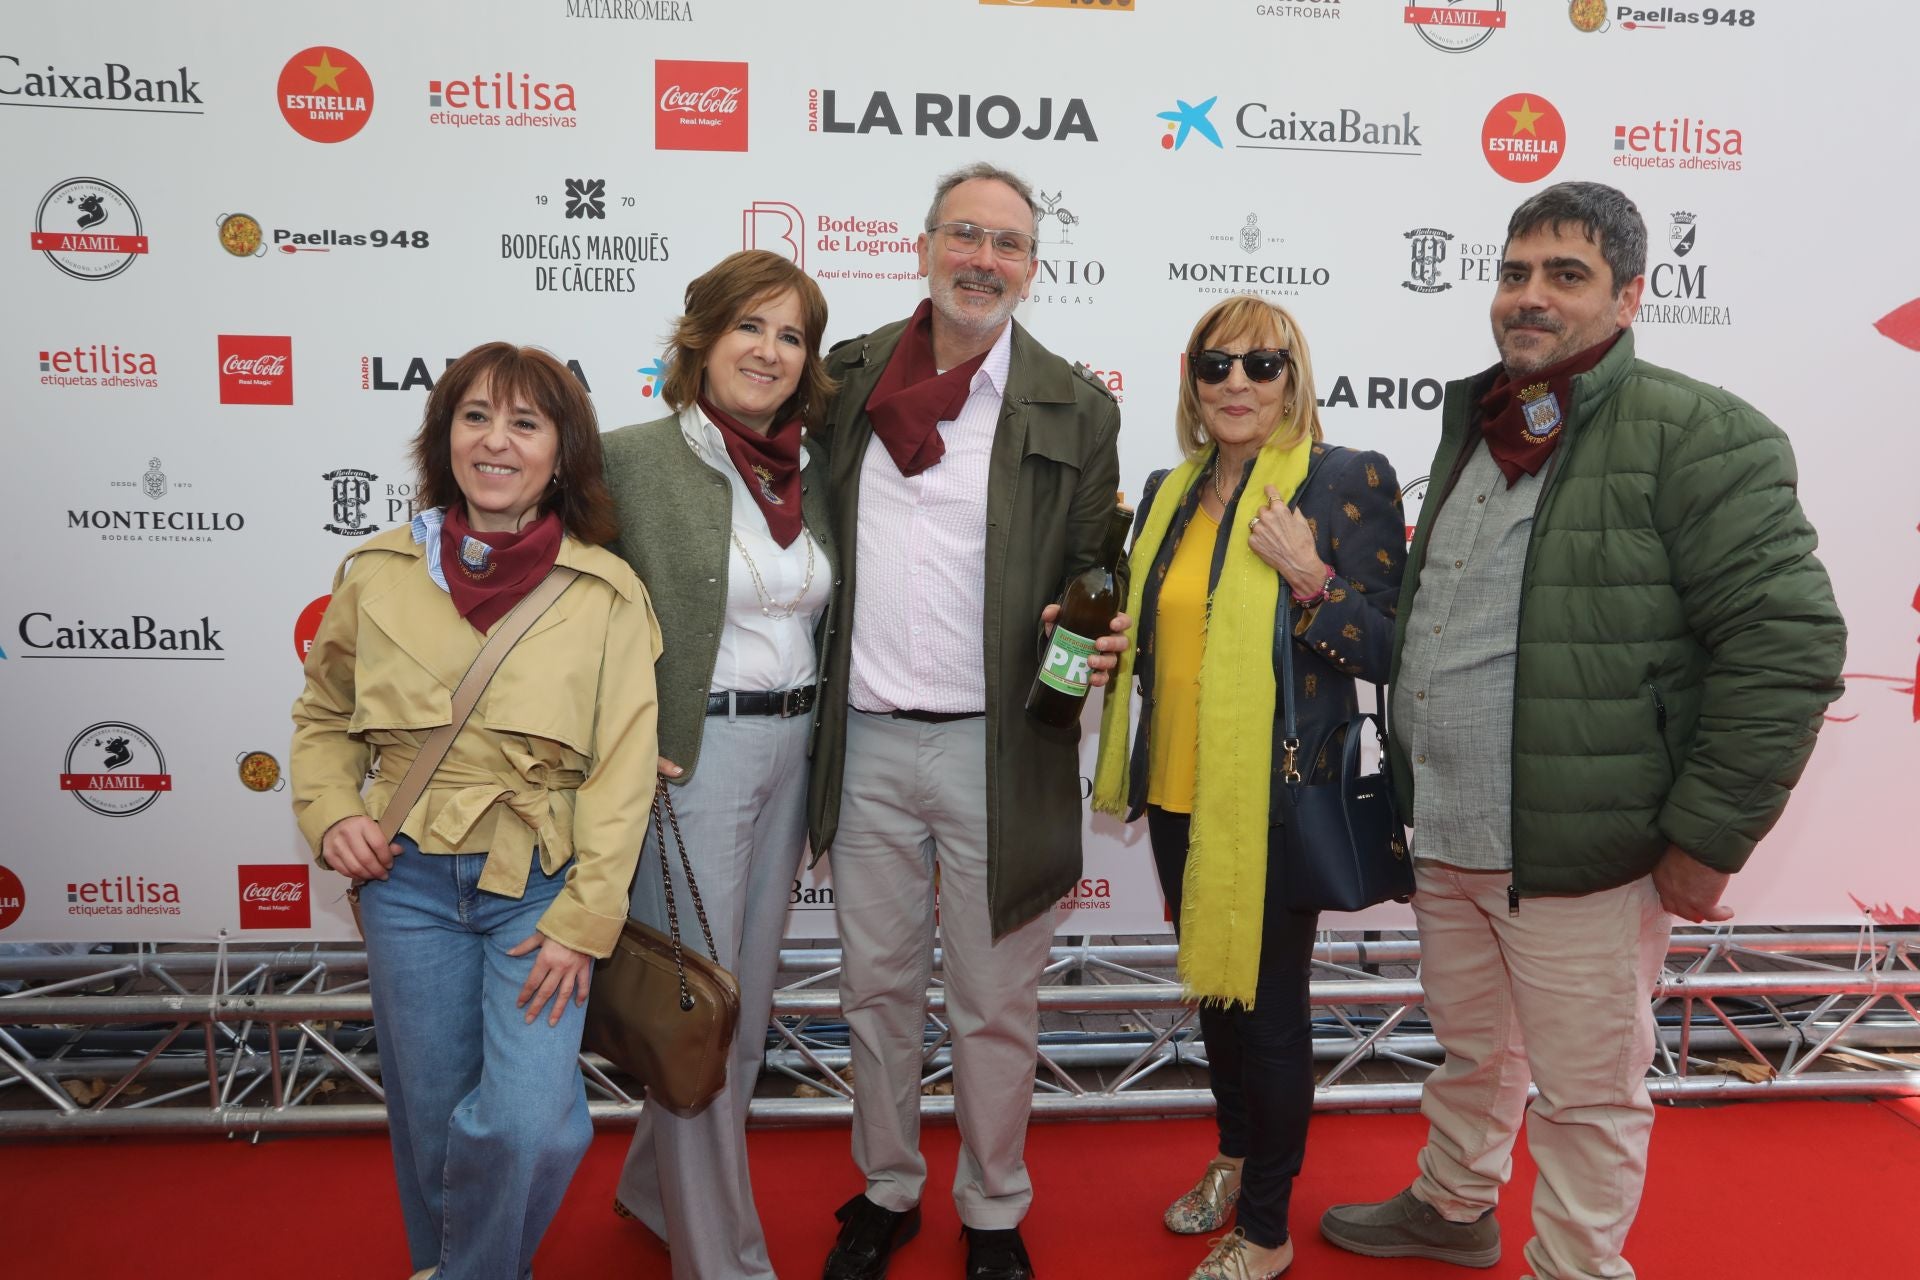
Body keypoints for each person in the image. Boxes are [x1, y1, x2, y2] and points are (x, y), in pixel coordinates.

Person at [1318, 181, 1846, 1280]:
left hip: (1584, 850)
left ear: (1630, 295)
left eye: (1565, 275)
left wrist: (1705, 835)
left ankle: (1575, 1266)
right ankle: (1457, 1203)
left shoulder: (1701, 433)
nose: (1530, 297)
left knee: (1588, 1091)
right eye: (1515, 272)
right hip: (1454, 835)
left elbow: (1787, 643)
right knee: (1472, 1052)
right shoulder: (1481, 417)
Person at [806, 161, 1128, 1280]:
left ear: (1033, 270)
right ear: (925, 246)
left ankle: (994, 1205)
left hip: (1005, 748)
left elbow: (1096, 568)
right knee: (876, 990)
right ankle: (888, 1186)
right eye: (966, 236)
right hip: (866, 745)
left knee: (995, 1002)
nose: (983, 260)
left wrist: (1094, 629)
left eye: (1009, 245)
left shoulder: (1078, 409)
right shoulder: (842, 381)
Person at [290, 342, 662, 1280]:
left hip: (539, 890)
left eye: (526, 424)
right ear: (444, 434)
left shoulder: (604, 592)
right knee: (431, 1118)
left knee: (532, 1124)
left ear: (561, 451)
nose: (497, 442)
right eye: (476, 417)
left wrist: (584, 923)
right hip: (404, 882)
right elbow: (325, 715)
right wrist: (333, 810)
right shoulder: (375, 572)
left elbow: (622, 777)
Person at [1089, 295, 1405, 1280]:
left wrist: (1312, 577)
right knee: (1217, 994)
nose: (1236, 383)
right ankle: (1232, 1155)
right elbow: (1165, 635)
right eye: (1216, 365)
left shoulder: (1343, 479)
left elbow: (1392, 646)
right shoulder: (1168, 489)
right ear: (1192, 380)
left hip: (1274, 796)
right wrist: (1113, 647)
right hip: (1180, 790)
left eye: (1261, 365)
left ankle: (1266, 1227)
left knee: (1268, 1009)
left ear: (1293, 375)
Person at [601, 249, 838, 1280]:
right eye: (751, 326)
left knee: (740, 1011)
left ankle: (655, 1186)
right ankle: (723, 1260)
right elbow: (567, 614)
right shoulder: (628, 460)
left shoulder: (810, 470)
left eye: (791, 335)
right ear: (700, 337)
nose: (770, 350)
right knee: (697, 1012)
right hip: (685, 756)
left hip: (793, 748)